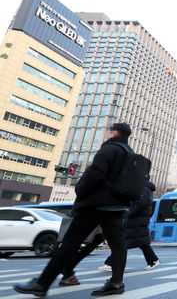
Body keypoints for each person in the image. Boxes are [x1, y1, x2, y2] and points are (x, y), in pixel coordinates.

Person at [14, 123, 138, 296]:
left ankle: (42, 284)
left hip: (95, 204)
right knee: (118, 246)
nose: (107, 134)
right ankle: (116, 283)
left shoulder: (109, 150)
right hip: (117, 207)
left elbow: (95, 174)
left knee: (71, 242)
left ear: (115, 133)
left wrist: (81, 191)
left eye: (109, 132)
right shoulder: (129, 154)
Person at [99, 181, 160, 272]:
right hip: (137, 222)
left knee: (123, 244)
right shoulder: (145, 189)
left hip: (136, 222)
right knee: (141, 244)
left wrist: (129, 213)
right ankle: (153, 260)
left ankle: (111, 264)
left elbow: (140, 204)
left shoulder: (143, 189)